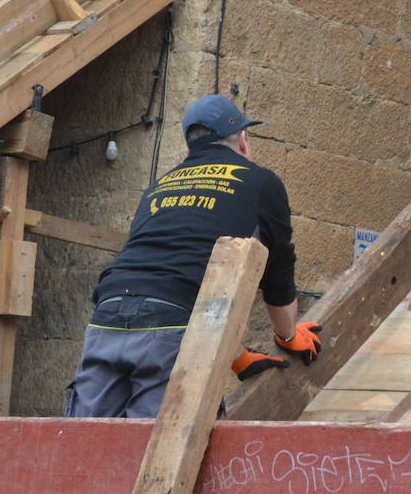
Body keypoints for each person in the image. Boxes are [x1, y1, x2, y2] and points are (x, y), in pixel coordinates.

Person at [64, 95, 322, 418]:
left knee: (84, 445)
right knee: (155, 452)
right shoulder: (260, 182)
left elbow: (171, 269)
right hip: (170, 330)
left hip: (108, 317)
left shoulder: (159, 186)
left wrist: (236, 354)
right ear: (242, 140)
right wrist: (288, 334)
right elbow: (277, 274)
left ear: (189, 149)